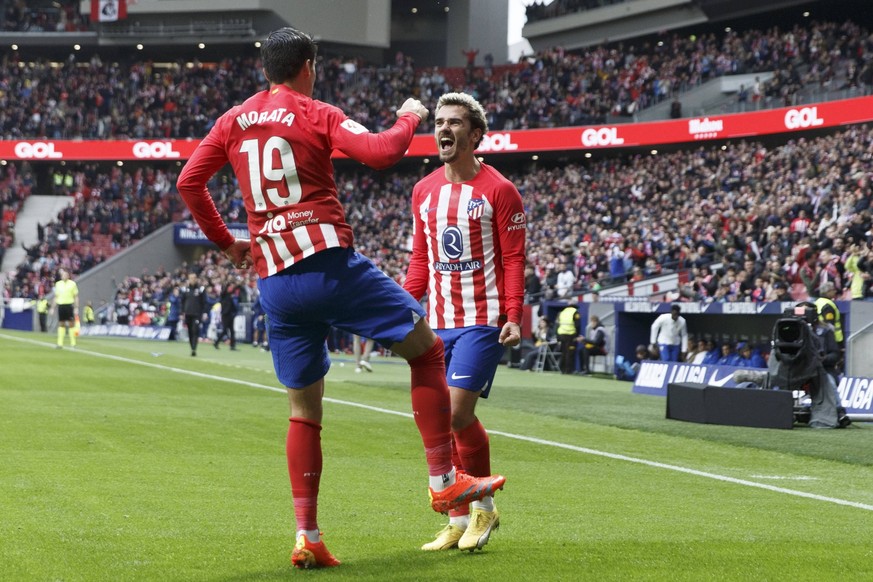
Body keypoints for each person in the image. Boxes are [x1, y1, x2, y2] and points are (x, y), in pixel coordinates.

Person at [176, 27, 505, 570]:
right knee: (427, 353)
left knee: (304, 411)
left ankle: (308, 535)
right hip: (328, 264)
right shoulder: (314, 111)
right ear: (308, 64)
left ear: (265, 70)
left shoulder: (232, 120)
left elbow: (191, 182)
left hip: (276, 283)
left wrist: (228, 243)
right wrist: (408, 116)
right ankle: (444, 482)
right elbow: (381, 152)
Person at [404, 91, 525, 553]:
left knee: (455, 412)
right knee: (441, 419)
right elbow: (421, 260)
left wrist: (513, 316)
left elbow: (514, 259)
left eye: (455, 122)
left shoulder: (500, 190)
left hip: (482, 320)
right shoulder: (424, 191)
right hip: (437, 322)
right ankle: (456, 518)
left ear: (475, 135)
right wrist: (397, 309)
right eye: (439, 121)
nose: (443, 129)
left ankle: (484, 508)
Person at [180, 273, 207, 357]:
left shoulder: (201, 289)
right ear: (188, 279)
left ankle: (194, 349)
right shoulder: (185, 290)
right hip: (188, 313)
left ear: (196, 279)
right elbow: (182, 302)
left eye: (194, 278)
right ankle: (192, 347)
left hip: (197, 314)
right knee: (190, 332)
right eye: (191, 278)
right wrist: (182, 312)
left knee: (195, 330)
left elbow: (204, 302)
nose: (193, 279)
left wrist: (205, 313)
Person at [51, 268, 78, 349]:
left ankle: (73, 343)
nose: (64, 276)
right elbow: (56, 297)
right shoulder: (58, 284)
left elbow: (76, 296)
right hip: (61, 305)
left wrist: (76, 307)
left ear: (68, 276)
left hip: (69, 305)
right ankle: (60, 343)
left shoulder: (72, 284)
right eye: (63, 275)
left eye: (65, 275)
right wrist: (52, 307)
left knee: (71, 324)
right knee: (61, 324)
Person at [214, 283, 239, 350]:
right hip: (225, 315)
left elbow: (232, 305)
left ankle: (232, 346)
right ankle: (216, 342)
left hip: (230, 315)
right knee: (225, 330)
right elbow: (223, 292)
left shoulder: (230, 296)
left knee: (232, 331)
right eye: (229, 288)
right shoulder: (224, 295)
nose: (231, 289)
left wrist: (234, 313)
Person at [556, 304, 581, 374]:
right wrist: (577, 335)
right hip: (570, 335)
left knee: (563, 352)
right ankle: (568, 370)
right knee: (569, 353)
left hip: (561, 334)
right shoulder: (575, 312)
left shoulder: (563, 312)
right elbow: (577, 324)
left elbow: (558, 323)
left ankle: (562, 369)